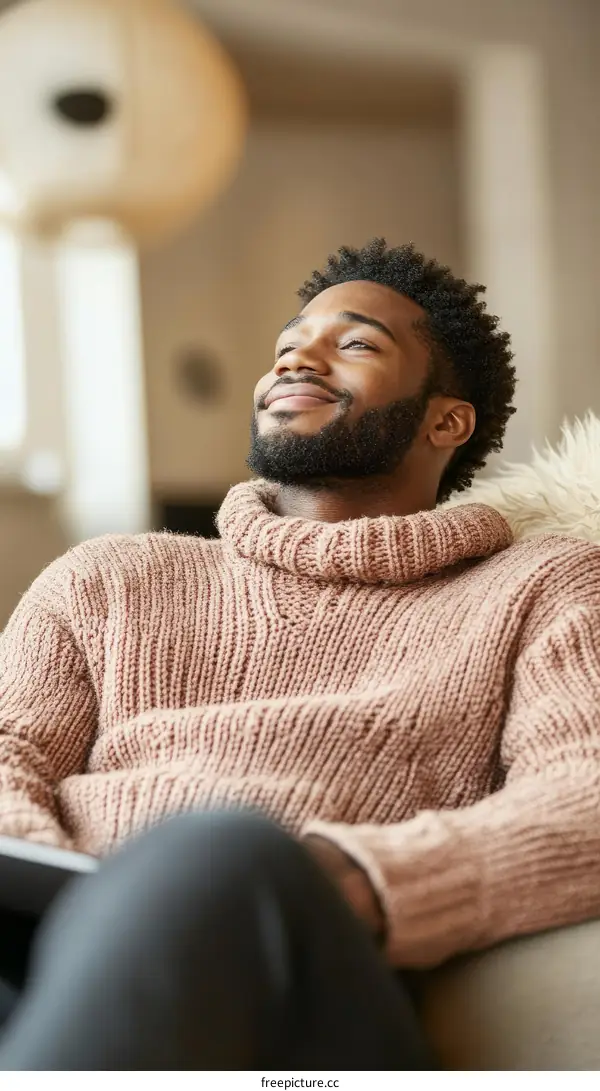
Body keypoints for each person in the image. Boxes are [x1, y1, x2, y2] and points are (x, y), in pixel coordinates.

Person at [1, 238, 600, 1070]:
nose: (296, 360)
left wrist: (361, 877)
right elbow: (9, 750)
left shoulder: (545, 585)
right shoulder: (106, 578)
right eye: (288, 345)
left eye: (354, 343)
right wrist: (64, 901)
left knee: (218, 851)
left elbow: (584, 793)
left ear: (446, 420)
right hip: (58, 950)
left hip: (304, 1001)